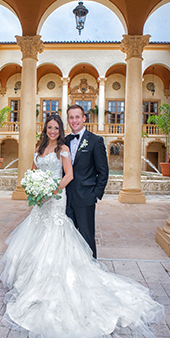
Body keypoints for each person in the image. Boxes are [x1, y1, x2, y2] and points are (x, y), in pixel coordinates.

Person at [0, 114, 164, 338]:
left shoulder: (64, 148)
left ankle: (68, 277)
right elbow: (33, 169)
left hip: (55, 198)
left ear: (63, 128)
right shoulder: (40, 146)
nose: (53, 130)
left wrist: (51, 190)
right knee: (36, 239)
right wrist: (33, 184)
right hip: (41, 204)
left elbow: (69, 175)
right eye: (50, 127)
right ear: (45, 129)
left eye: (57, 127)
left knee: (62, 238)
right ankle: (31, 281)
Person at [64, 104, 108, 258]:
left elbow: (103, 171)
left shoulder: (96, 141)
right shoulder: (64, 141)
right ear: (68, 120)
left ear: (84, 118)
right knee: (66, 236)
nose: (74, 120)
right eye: (71, 117)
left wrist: (95, 194)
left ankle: (91, 268)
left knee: (86, 237)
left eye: (77, 117)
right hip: (65, 198)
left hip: (85, 197)